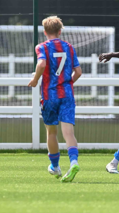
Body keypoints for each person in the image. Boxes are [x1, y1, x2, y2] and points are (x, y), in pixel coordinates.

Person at [28, 16, 82, 182]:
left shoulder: (42, 47)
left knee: (51, 132)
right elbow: (78, 72)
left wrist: (36, 79)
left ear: (45, 32)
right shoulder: (69, 47)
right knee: (69, 133)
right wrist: (67, 83)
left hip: (49, 96)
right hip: (67, 95)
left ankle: (56, 167)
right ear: (60, 31)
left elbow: (42, 64)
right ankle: (73, 162)